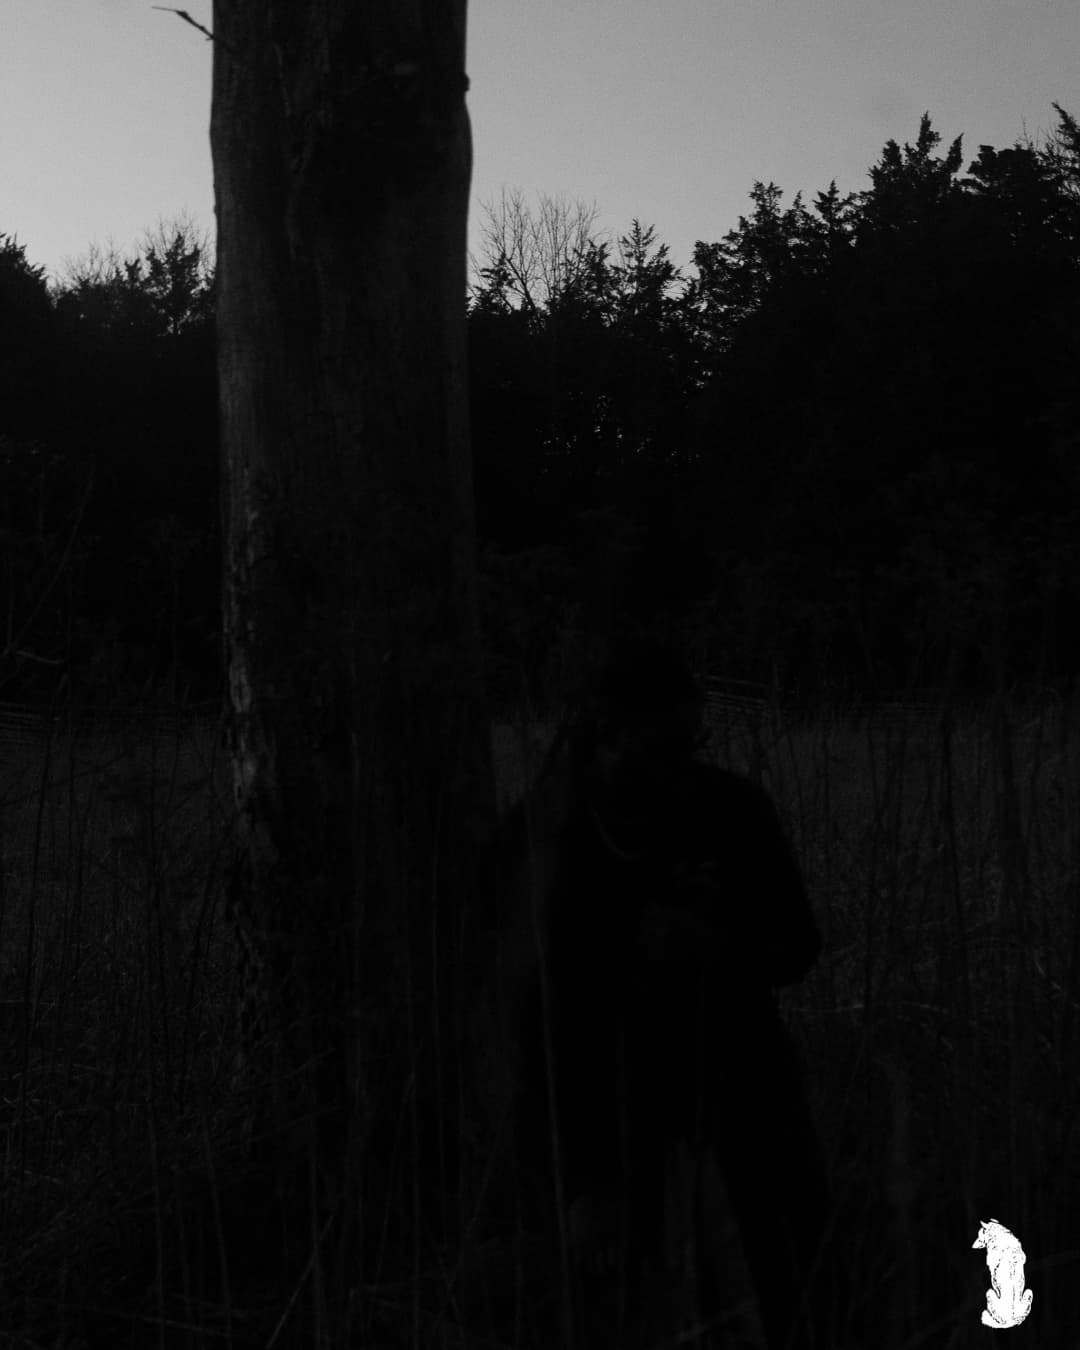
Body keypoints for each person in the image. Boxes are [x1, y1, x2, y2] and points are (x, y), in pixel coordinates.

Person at [499, 633, 829, 1349]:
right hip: (610, 1095)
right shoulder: (543, 840)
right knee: (626, 1295)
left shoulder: (730, 808)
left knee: (793, 1268)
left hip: (740, 1068)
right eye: (660, 746)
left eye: (692, 742)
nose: (680, 764)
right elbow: (533, 1027)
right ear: (601, 736)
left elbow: (795, 944)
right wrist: (580, 1182)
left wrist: (718, 937)